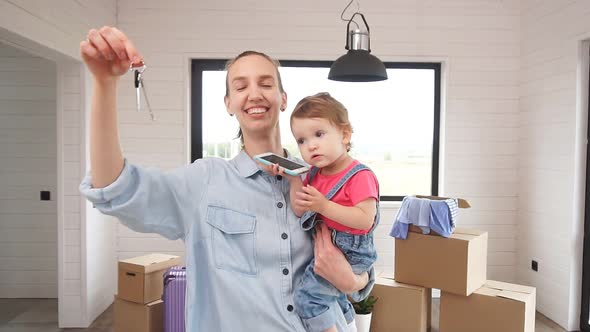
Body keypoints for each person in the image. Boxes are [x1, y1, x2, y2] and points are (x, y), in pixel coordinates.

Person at [77, 26, 375, 332]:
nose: (255, 94)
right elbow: (114, 188)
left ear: (283, 99)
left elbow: (358, 254)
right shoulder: (203, 182)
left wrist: (353, 280)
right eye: (241, 86)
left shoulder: (318, 179)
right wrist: (104, 83)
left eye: (266, 83)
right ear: (228, 104)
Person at [265, 93, 379, 332]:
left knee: (309, 298)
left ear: (345, 135)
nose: (311, 145)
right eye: (302, 141)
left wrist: (324, 206)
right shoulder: (315, 174)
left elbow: (365, 220)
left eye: (319, 134)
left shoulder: (359, 175)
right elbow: (300, 209)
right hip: (330, 250)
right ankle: (347, 324)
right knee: (331, 297)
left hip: (352, 252)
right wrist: (294, 178)